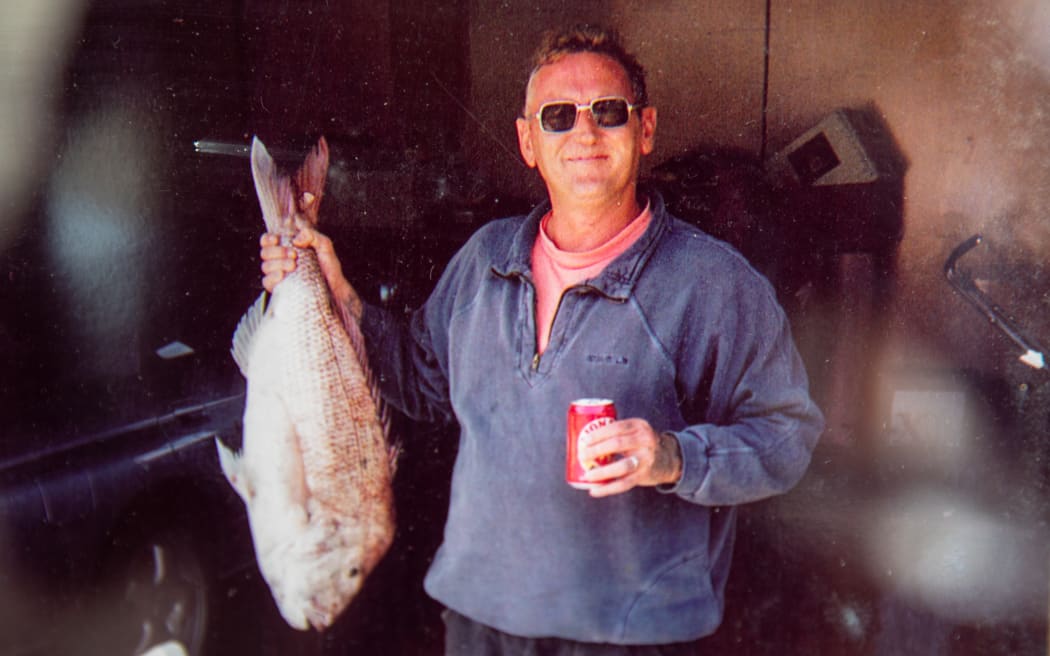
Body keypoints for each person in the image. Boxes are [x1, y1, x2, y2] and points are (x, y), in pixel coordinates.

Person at [260, 24, 823, 656]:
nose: (583, 133)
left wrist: (672, 457)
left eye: (608, 113)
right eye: (558, 117)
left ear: (646, 130)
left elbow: (786, 437)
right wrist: (336, 294)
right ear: (528, 141)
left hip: (631, 634)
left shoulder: (715, 282)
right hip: (482, 620)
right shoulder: (483, 260)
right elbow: (419, 381)